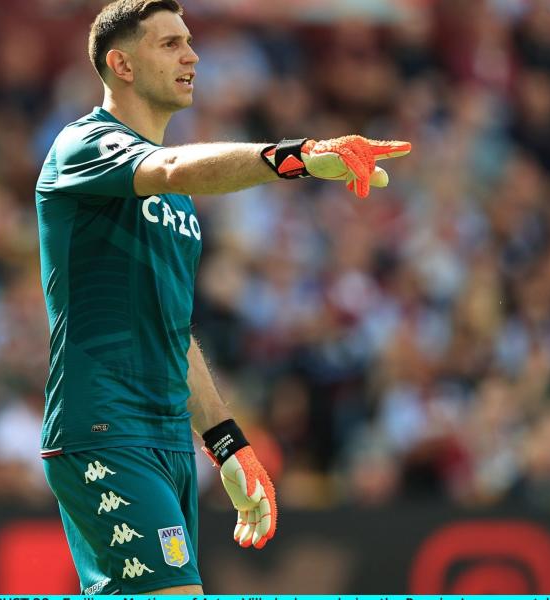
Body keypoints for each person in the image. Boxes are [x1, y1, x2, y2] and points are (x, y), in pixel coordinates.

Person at [34, 0, 411, 594]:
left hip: (165, 437)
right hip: (106, 425)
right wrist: (299, 157)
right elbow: (174, 166)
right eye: (169, 44)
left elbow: (173, 332)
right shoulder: (84, 144)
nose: (192, 54)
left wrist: (228, 445)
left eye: (189, 41)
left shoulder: (180, 208)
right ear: (122, 65)